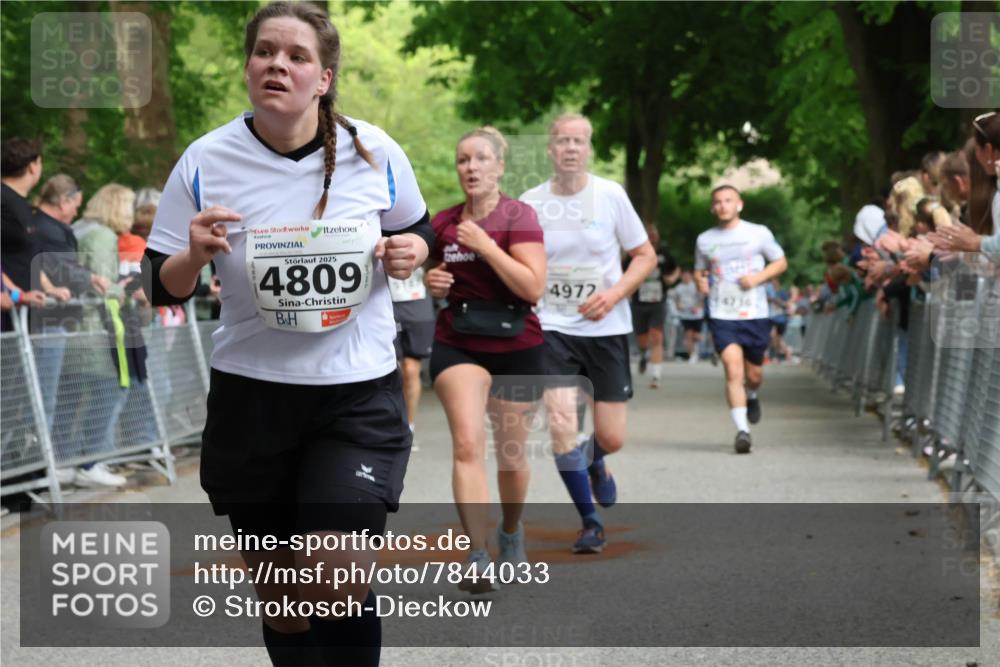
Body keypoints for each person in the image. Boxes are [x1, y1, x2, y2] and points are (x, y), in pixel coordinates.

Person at [143, 3, 430, 665]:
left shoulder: (374, 150)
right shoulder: (204, 160)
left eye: (297, 56)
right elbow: (162, 283)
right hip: (253, 398)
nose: (278, 63)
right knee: (286, 603)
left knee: (332, 571)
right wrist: (192, 253)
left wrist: (411, 248)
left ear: (323, 77)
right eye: (264, 51)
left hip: (354, 397)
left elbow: (423, 234)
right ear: (248, 66)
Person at [520, 113, 656, 553]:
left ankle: (596, 460)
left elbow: (644, 255)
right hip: (552, 327)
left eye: (579, 141)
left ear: (589, 148)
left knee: (612, 436)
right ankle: (590, 521)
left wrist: (615, 294)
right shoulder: (531, 202)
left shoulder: (610, 196)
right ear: (550, 149)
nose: (571, 148)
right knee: (561, 423)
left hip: (605, 327)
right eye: (562, 141)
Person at [425, 126, 546, 590]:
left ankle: (510, 532)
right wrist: (431, 282)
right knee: (467, 444)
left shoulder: (521, 216)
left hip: (518, 344)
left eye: (479, 159)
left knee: (512, 455)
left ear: (499, 166)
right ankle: (477, 554)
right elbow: (428, 274)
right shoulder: (443, 223)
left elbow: (533, 287)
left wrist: (488, 247)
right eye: (462, 160)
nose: (470, 168)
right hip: (459, 341)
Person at [695, 184, 787, 454]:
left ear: (739, 204)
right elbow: (700, 271)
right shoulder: (704, 239)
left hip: (754, 312)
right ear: (713, 207)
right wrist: (702, 284)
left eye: (728, 200)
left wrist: (757, 278)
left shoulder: (757, 233)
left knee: (754, 375)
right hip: (722, 313)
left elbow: (780, 262)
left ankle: (753, 394)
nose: (723, 205)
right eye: (718, 202)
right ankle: (742, 431)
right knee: (732, 370)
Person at [626, 226, 679, 388]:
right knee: (642, 340)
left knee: (656, 337)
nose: (652, 237)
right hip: (639, 302)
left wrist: (672, 278)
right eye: (649, 234)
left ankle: (656, 376)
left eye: (654, 234)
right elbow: (622, 271)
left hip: (658, 301)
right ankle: (643, 354)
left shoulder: (664, 253)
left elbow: (676, 268)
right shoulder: (634, 253)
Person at [388, 267, 434, 449]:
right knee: (390, 370)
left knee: (410, 369)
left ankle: (408, 427)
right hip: (387, 302)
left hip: (418, 303)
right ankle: (388, 424)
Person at [672, 268, 705, 363]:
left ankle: (697, 351)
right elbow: (675, 300)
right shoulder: (678, 288)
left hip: (697, 315)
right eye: (684, 275)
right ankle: (692, 355)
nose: (686, 277)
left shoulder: (696, 286)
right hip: (685, 315)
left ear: (691, 276)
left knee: (696, 336)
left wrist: (697, 307)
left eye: (687, 275)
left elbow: (702, 300)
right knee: (689, 335)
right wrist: (678, 305)